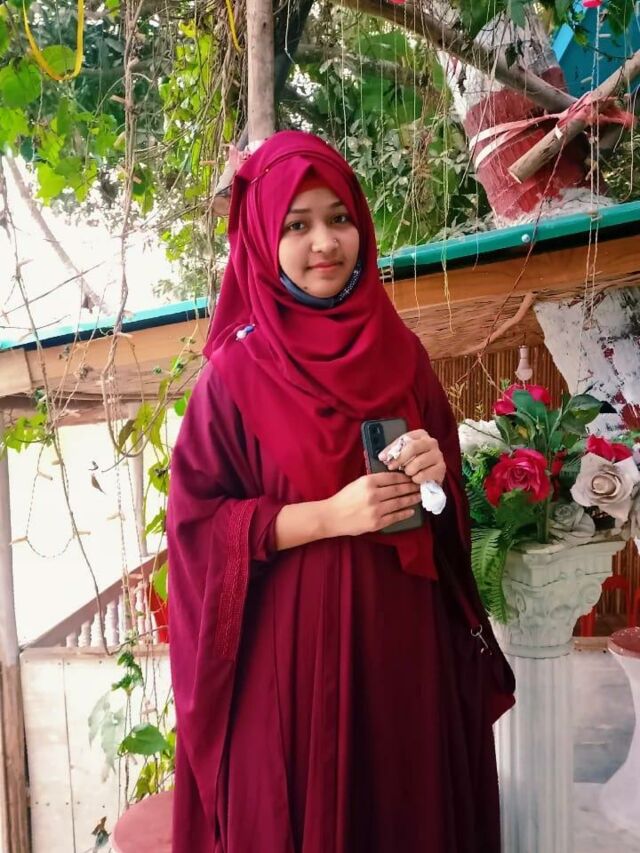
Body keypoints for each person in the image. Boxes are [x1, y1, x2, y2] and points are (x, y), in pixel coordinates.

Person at [166, 130, 515, 853]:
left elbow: (444, 515)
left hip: (404, 656)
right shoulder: (234, 377)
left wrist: (434, 478)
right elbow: (197, 529)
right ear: (263, 239)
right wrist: (328, 516)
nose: (324, 242)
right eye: (297, 225)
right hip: (294, 673)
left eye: (339, 218)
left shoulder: (402, 354)